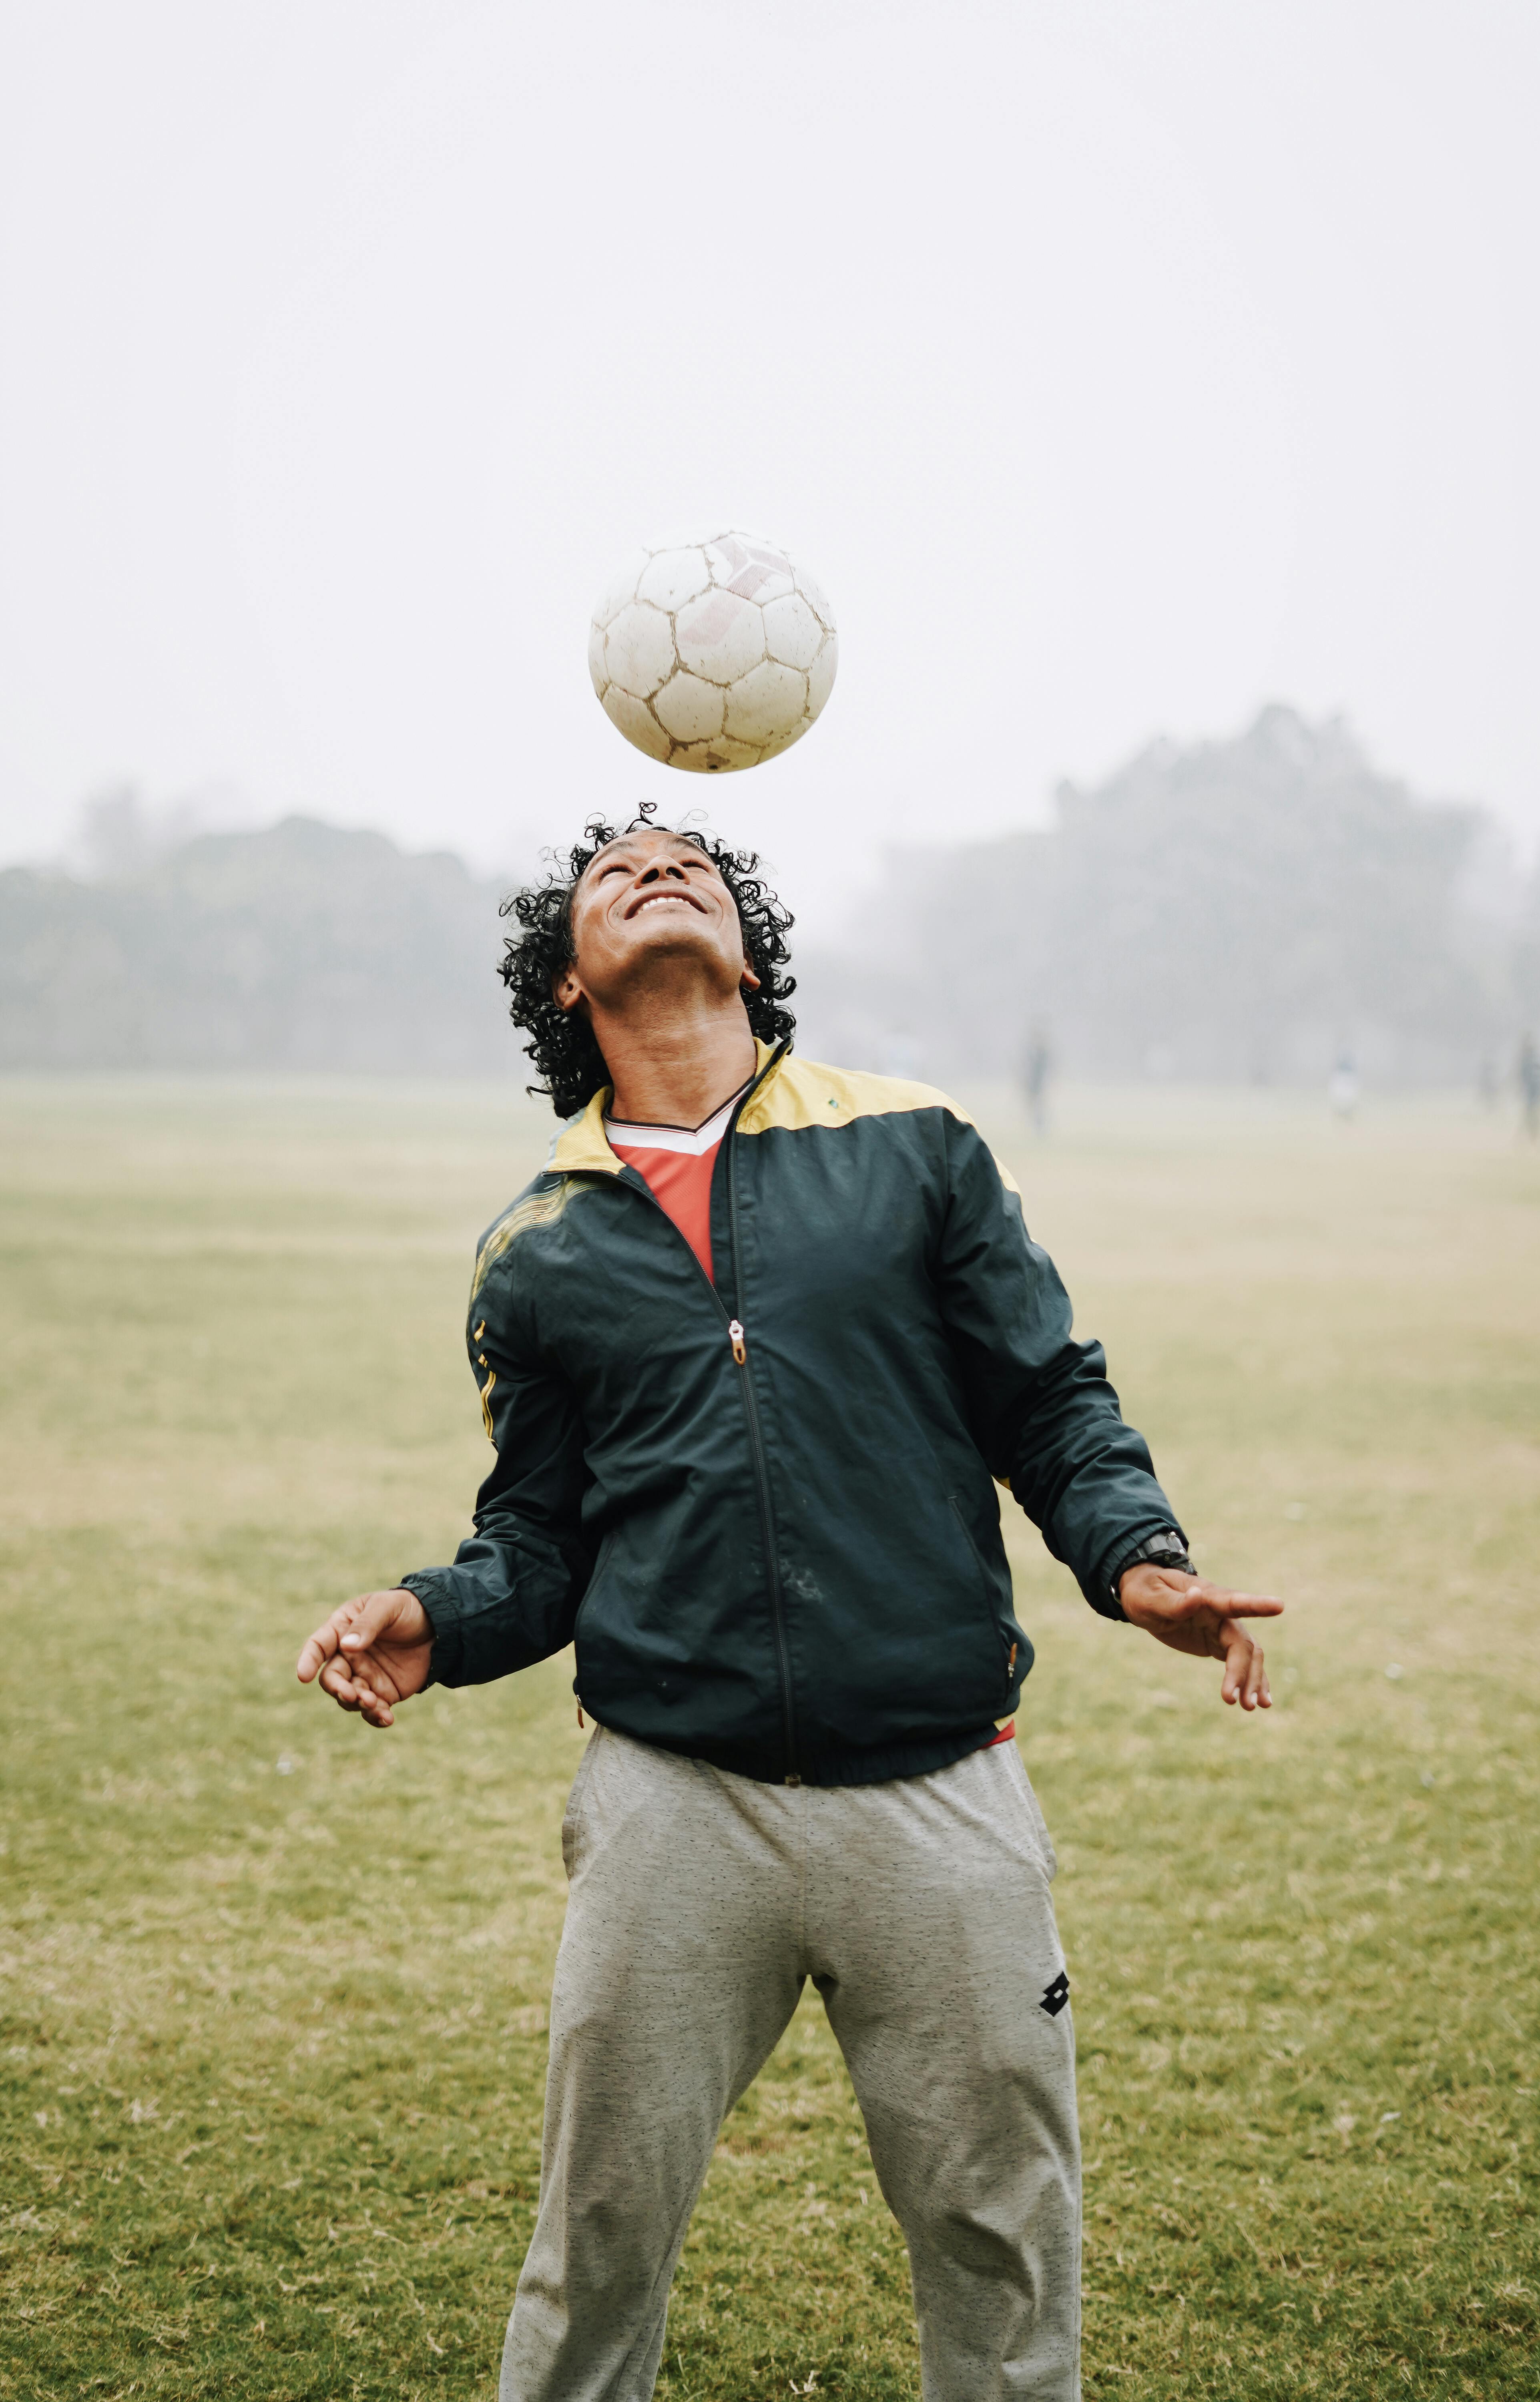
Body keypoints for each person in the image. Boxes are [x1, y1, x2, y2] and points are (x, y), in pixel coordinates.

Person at [295, 811, 1282, 2402]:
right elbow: (536, 1541)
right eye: (610, 871)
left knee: (1000, 2237)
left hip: (942, 1794)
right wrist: (437, 1618)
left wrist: (1135, 1558)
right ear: (564, 983)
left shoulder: (916, 1143)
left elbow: (1049, 1402)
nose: (654, 865)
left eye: (690, 860)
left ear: (750, 951)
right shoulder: (535, 1252)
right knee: (595, 2238)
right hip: (673, 1807)